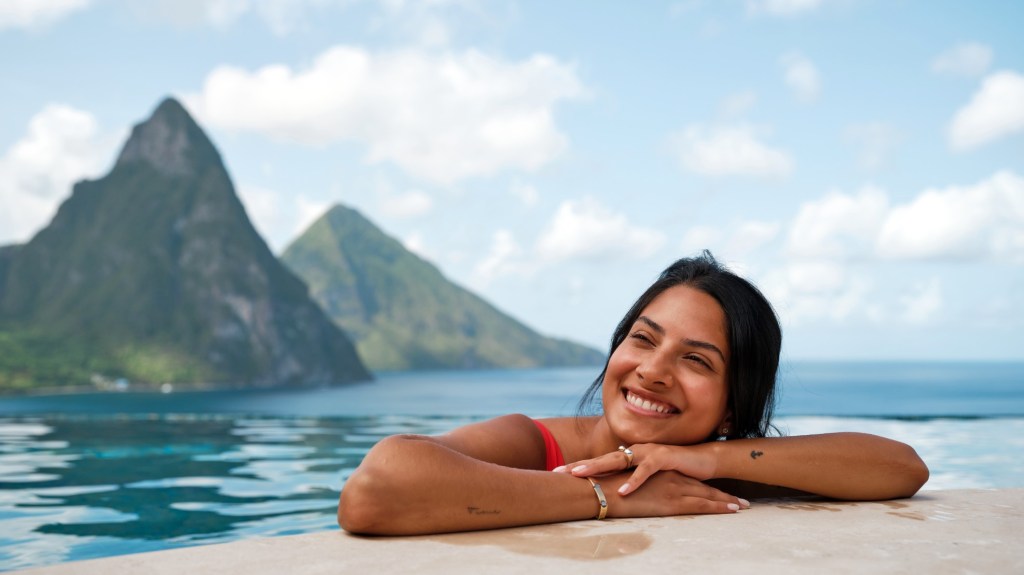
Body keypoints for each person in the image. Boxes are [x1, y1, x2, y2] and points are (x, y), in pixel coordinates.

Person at [338, 251, 929, 535]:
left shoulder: (712, 469)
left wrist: (708, 458)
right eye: (643, 340)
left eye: (696, 359)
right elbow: (375, 489)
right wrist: (611, 496)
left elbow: (901, 468)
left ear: (731, 405)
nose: (653, 370)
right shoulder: (533, 442)